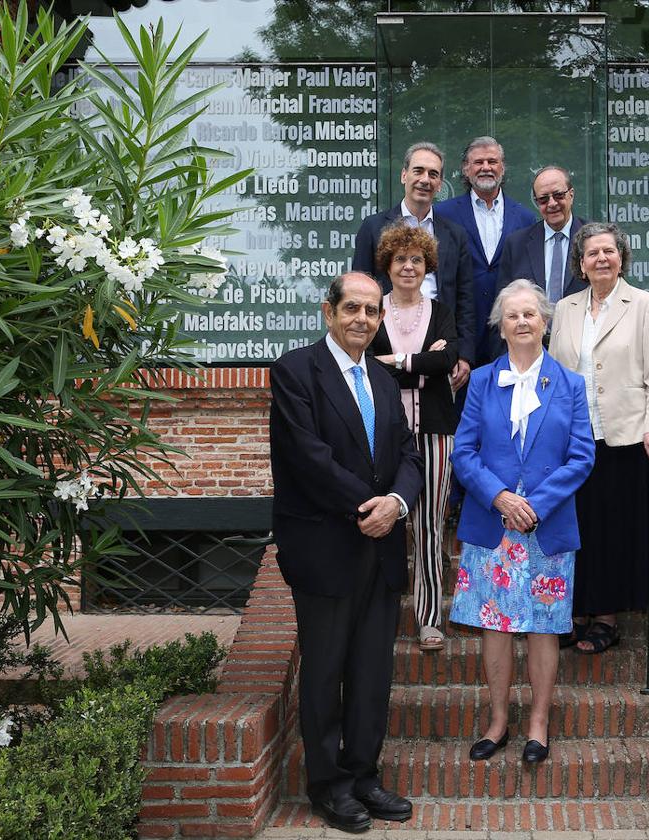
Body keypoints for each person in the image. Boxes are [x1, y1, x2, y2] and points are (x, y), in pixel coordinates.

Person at [269, 272, 424, 833]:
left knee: (371, 672)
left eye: (372, 311)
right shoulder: (295, 372)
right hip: (325, 546)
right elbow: (308, 459)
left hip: (380, 550)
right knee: (326, 671)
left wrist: (398, 505)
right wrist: (371, 506)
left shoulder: (382, 381)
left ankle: (362, 776)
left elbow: (409, 454)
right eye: (351, 308)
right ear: (328, 312)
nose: (362, 319)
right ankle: (328, 786)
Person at [449, 279, 595, 764]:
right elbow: (463, 453)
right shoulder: (481, 382)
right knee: (495, 627)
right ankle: (497, 721)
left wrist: (535, 504)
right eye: (512, 316)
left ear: (545, 322)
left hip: (546, 528)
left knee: (544, 628)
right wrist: (501, 498)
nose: (523, 322)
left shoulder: (571, 385)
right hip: (493, 527)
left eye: (530, 314)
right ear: (501, 326)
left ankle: (537, 723)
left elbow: (581, 457)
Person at [548, 222, 649, 655]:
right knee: (574, 528)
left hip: (623, 438)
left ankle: (605, 618)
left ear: (622, 258)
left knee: (613, 531)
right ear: (580, 265)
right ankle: (573, 613)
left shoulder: (643, 305)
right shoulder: (563, 309)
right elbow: (555, 374)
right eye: (592, 253)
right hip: (572, 440)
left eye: (609, 251)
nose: (601, 258)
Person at [367, 224, 459, 652]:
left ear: (427, 267)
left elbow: (447, 359)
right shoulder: (373, 310)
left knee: (427, 524)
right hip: (381, 435)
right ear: (387, 265)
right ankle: (374, 615)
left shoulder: (440, 311)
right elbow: (366, 364)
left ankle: (428, 618)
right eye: (400, 259)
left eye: (417, 260)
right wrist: (422, 362)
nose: (408, 266)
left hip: (436, 432)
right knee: (379, 522)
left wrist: (399, 360)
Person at [352, 141, 476, 392]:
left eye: (433, 174)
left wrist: (463, 354)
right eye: (418, 171)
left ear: (440, 184)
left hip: (438, 343)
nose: (425, 180)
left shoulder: (455, 234)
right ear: (404, 175)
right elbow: (358, 289)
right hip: (385, 341)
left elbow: (465, 300)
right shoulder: (373, 227)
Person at [435, 136, 537, 366]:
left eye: (492, 161)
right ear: (465, 168)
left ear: (502, 167)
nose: (486, 168)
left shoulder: (525, 218)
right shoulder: (443, 215)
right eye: (478, 162)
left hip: (510, 331)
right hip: (460, 330)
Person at [496, 165, 589, 308]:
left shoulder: (593, 239)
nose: (552, 204)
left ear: (571, 194)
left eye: (558, 195)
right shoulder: (516, 245)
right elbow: (504, 304)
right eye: (543, 199)